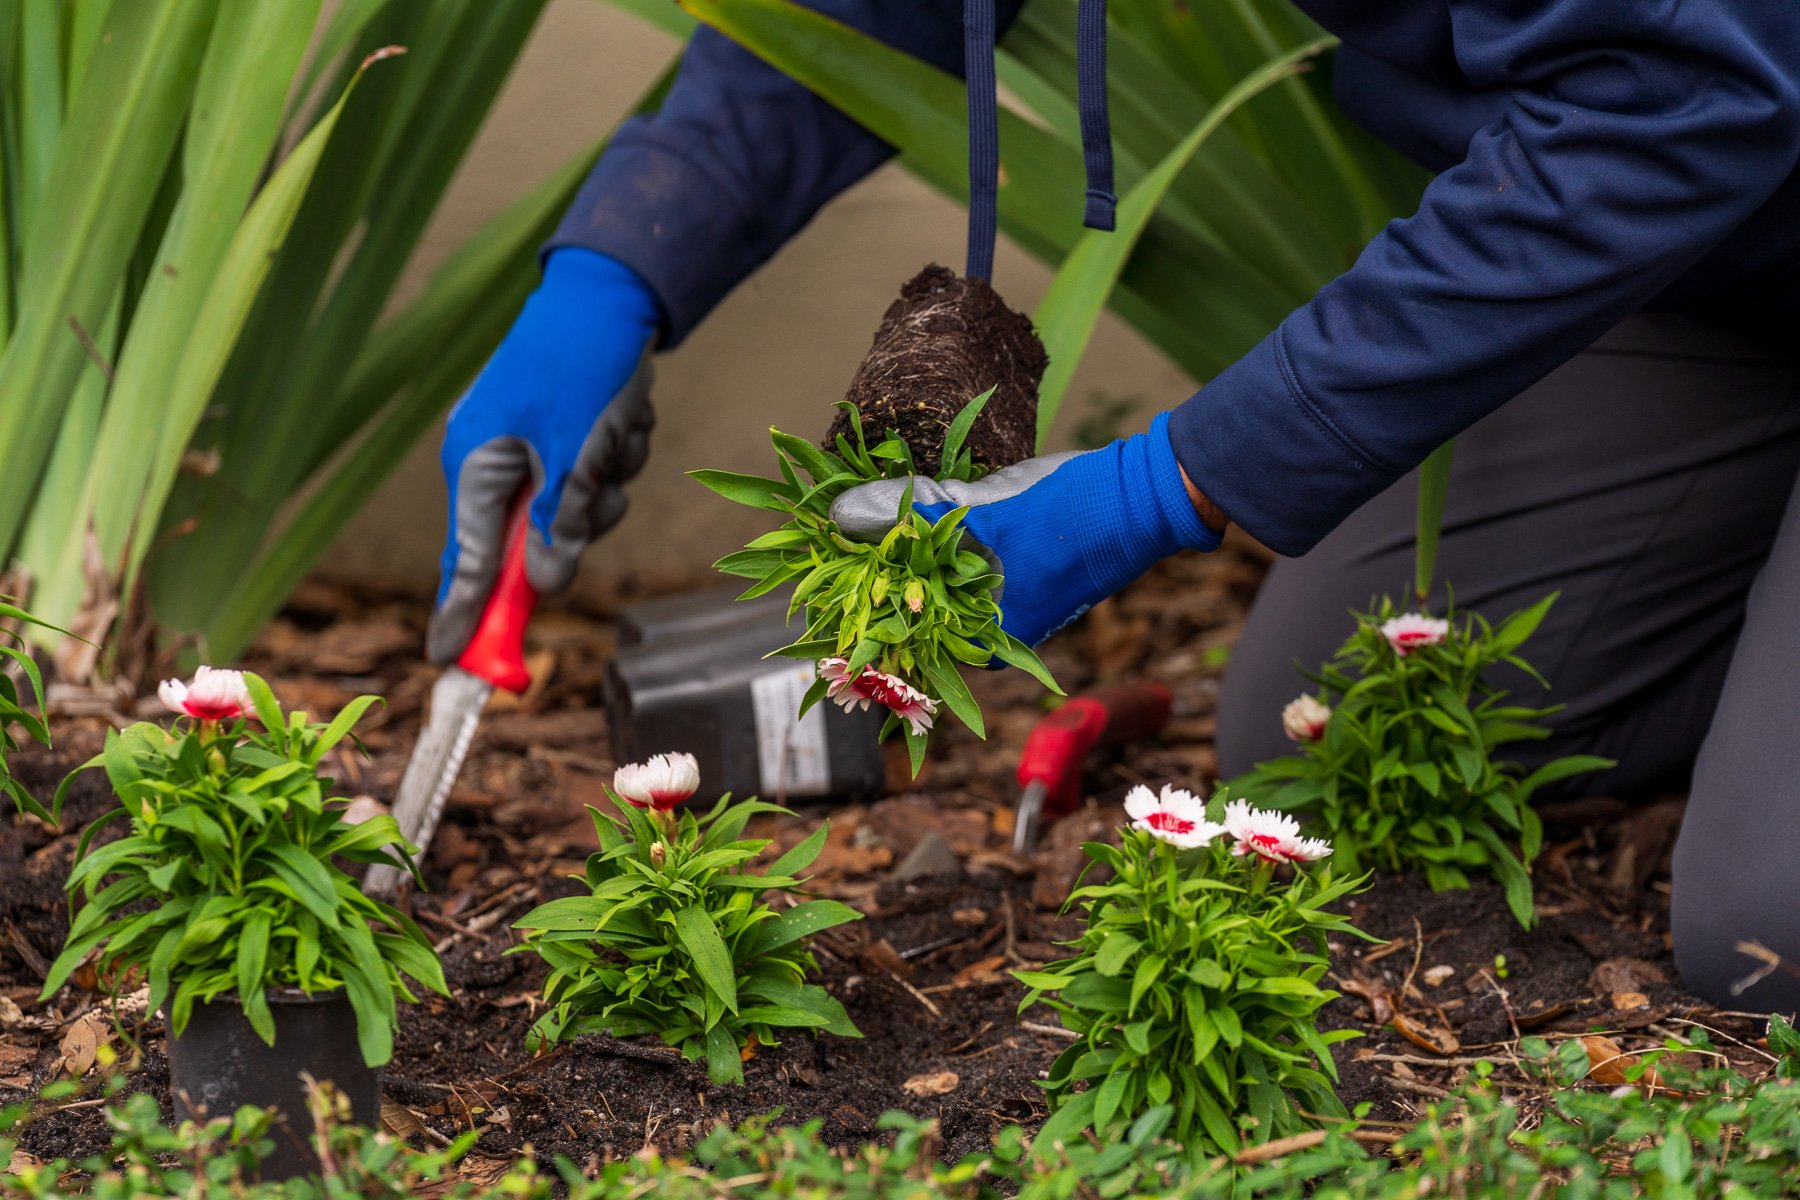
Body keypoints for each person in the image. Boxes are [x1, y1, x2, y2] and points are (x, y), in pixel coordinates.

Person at [429, 1, 1800, 1012]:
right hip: (1718, 265)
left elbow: (1682, 93)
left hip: (1699, 148)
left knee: (1768, 924)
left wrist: (1166, 484)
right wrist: (616, 276)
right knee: (1341, 730)